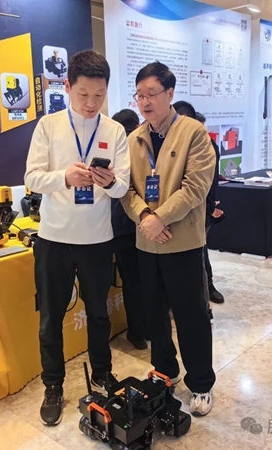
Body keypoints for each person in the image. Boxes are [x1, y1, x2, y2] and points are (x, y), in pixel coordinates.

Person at [25, 50, 131, 426]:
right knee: (50, 317)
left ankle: (102, 373)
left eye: (99, 95)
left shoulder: (114, 131)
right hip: (53, 238)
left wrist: (110, 181)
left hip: (98, 239)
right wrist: (64, 178)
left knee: (99, 313)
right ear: (67, 87)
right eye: (83, 94)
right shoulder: (49, 126)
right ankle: (53, 385)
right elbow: (32, 177)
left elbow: (124, 187)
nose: (91, 103)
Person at [121, 61, 216, 416]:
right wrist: (145, 217)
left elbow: (196, 187)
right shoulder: (134, 139)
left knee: (191, 314)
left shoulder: (194, 132)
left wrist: (159, 217)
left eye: (152, 94)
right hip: (147, 240)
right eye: (139, 95)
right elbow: (126, 189)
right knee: (154, 312)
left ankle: (201, 382)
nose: (145, 102)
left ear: (170, 93)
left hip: (183, 241)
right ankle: (164, 370)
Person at [173, 101, 225, 318]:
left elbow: (208, 184)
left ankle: (204, 305)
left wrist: (210, 208)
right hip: (174, 214)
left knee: (199, 259)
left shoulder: (205, 145)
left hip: (198, 213)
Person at [110, 109, 147, 350]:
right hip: (147, 222)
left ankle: (138, 334)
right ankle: (150, 329)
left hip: (121, 226)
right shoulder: (146, 147)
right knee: (149, 280)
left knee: (132, 282)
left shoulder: (114, 150)